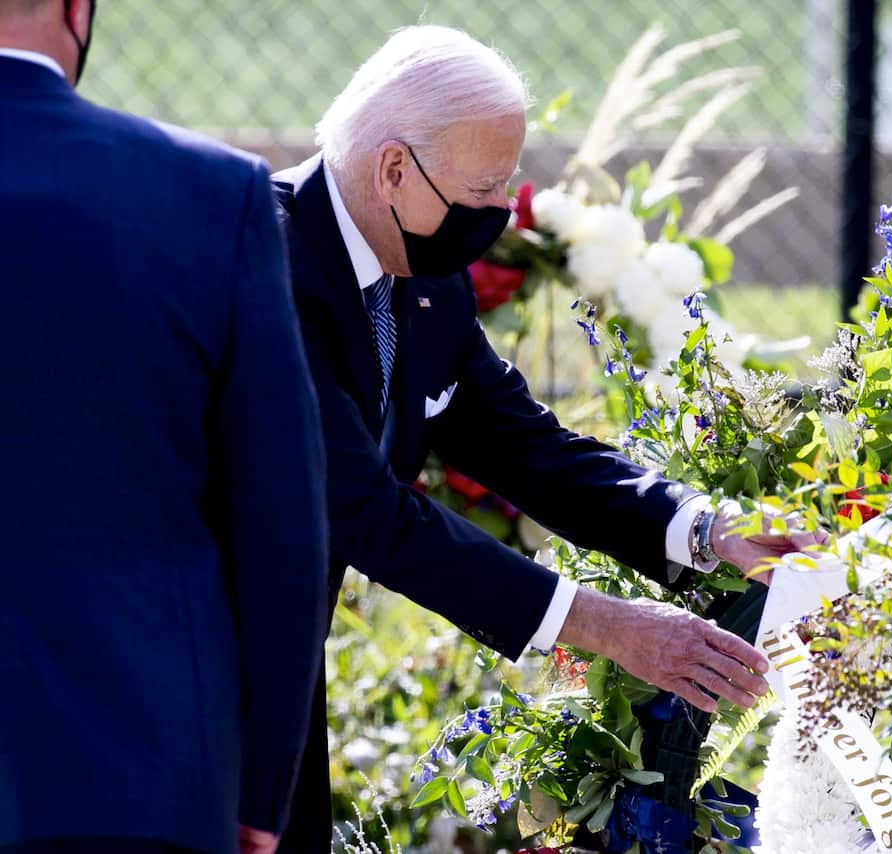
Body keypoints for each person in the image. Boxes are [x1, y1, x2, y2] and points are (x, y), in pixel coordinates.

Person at [270, 24, 825, 851]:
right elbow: (363, 511)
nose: (501, 214)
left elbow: (521, 442)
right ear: (393, 168)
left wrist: (706, 528)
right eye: (485, 188)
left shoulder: (420, 274)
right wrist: (608, 626)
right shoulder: (268, 259)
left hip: (274, 660)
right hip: (178, 657)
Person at [0, 2, 329, 853]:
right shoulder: (210, 196)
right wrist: (261, 787)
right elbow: (283, 526)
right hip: (139, 778)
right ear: (78, 9)